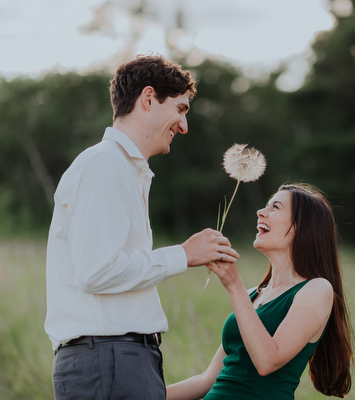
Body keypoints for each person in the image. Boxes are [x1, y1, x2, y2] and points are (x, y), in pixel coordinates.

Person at [45, 54, 239, 400]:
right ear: (148, 99)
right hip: (109, 360)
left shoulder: (120, 168)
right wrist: (183, 255)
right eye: (180, 109)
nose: (184, 125)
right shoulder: (106, 164)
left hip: (115, 360)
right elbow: (97, 271)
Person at [167, 183, 355, 399]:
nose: (260, 212)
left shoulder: (316, 289)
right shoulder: (252, 295)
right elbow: (208, 380)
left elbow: (267, 362)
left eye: (275, 207)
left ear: (299, 227)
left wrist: (234, 285)